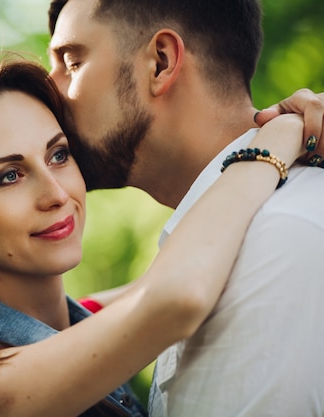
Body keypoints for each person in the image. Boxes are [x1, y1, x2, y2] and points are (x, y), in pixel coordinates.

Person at [0, 58, 317, 417]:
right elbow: (173, 297)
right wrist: (273, 141)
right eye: (9, 176)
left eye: (59, 154)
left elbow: (188, 272)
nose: (56, 194)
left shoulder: (74, 321)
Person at [47, 0, 324, 415]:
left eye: (71, 62)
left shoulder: (280, 240)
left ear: (160, 62)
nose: (49, 90)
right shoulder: (220, 243)